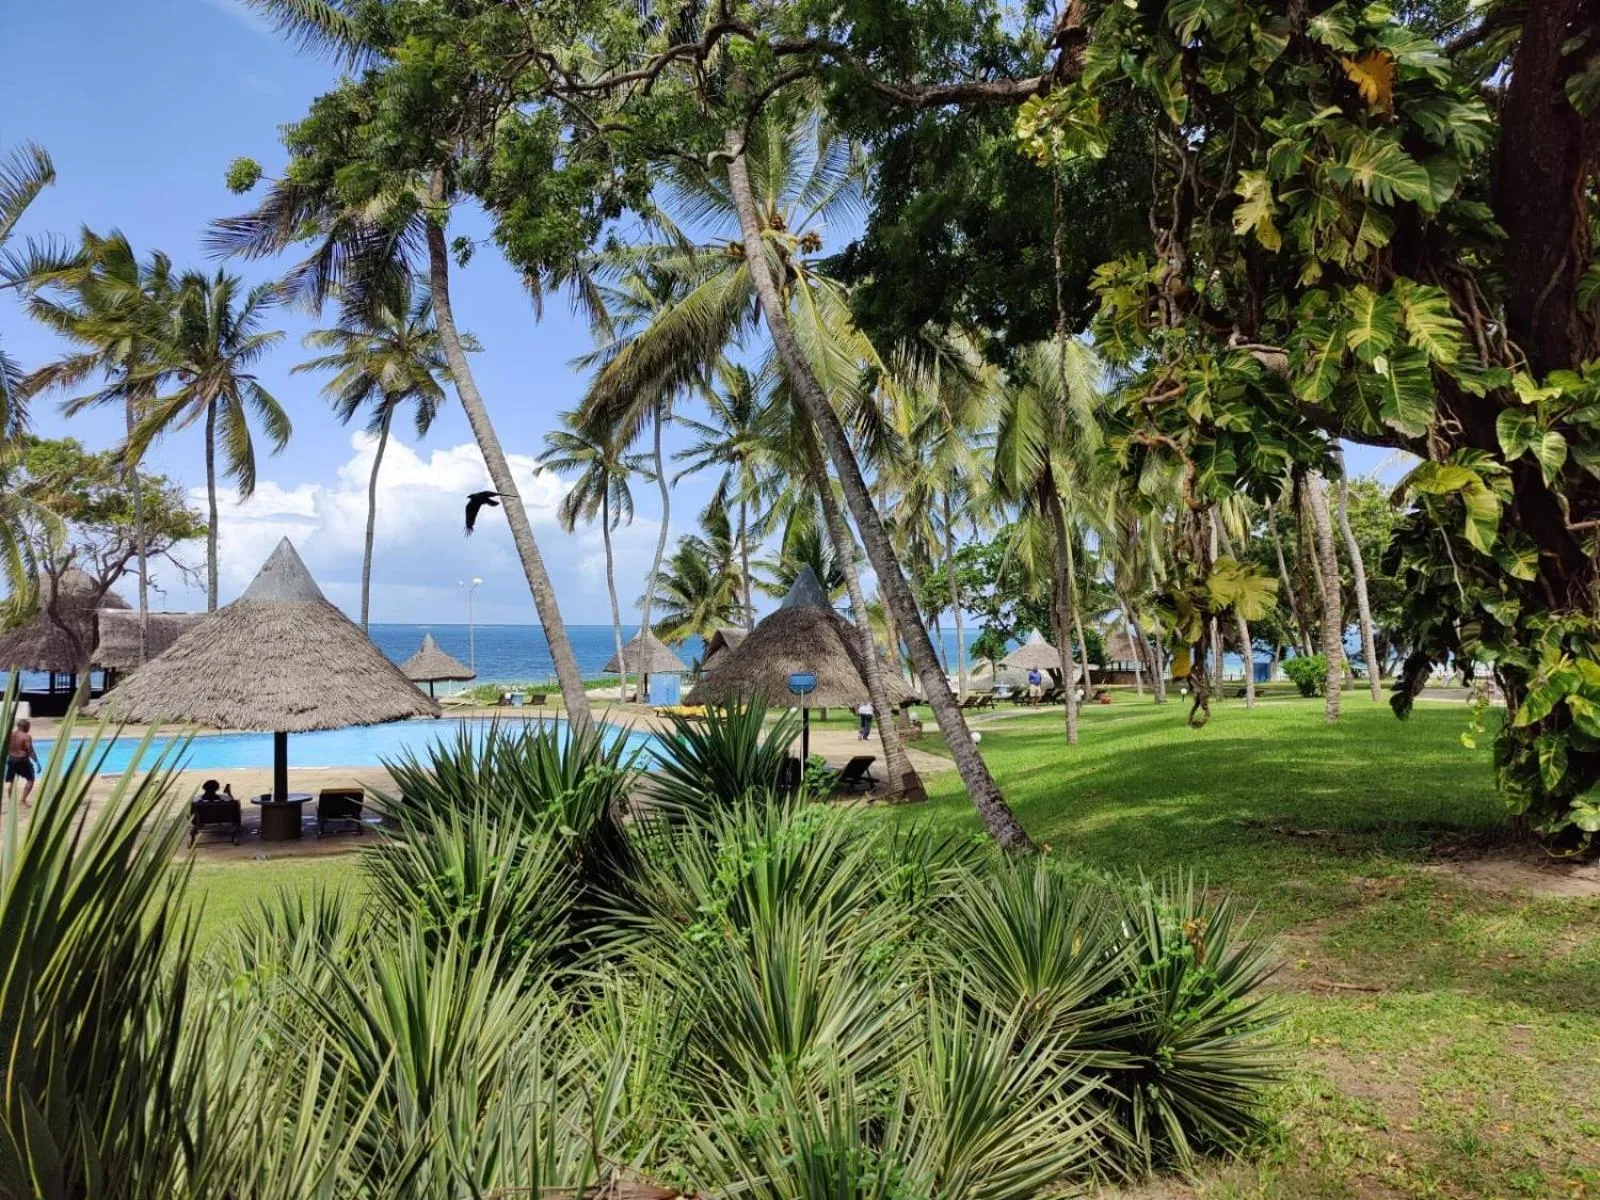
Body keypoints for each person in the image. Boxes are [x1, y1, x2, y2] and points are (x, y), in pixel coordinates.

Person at [6, 718, 39, 808]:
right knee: (30, 779)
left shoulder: (10, 735)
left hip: (11, 759)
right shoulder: (26, 737)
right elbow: (30, 751)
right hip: (22, 761)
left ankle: (11, 801)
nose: (29, 728)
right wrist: (37, 762)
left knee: (11, 780)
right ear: (24, 727)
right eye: (28, 726)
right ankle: (23, 800)